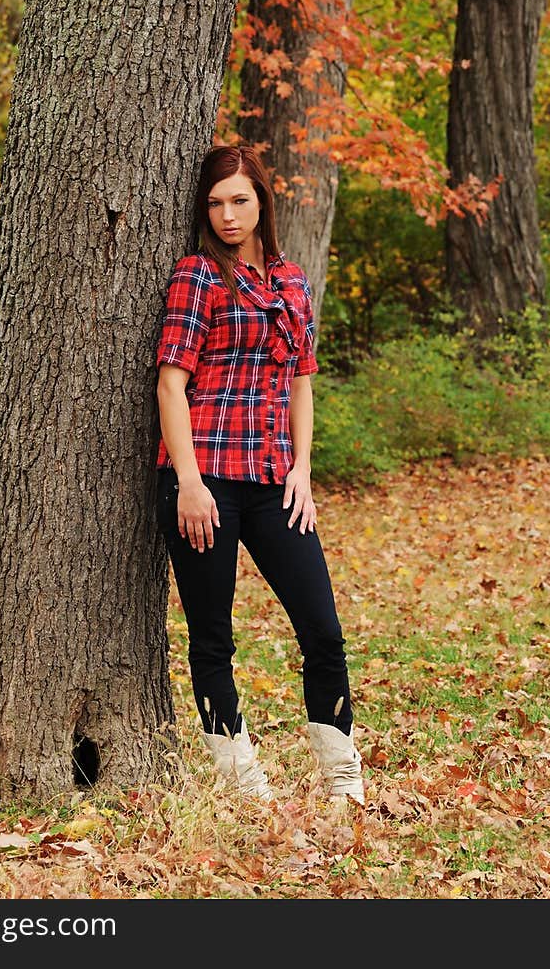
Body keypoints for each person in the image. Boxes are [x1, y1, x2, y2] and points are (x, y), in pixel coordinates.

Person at [154, 143, 364, 806]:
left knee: (323, 632)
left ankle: (343, 784)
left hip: (276, 481)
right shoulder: (197, 277)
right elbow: (169, 385)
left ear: (262, 202)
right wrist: (187, 481)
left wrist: (303, 468)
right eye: (215, 203)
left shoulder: (291, 281)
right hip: (205, 481)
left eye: (239, 199)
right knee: (214, 639)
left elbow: (302, 382)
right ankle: (246, 790)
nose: (227, 214)